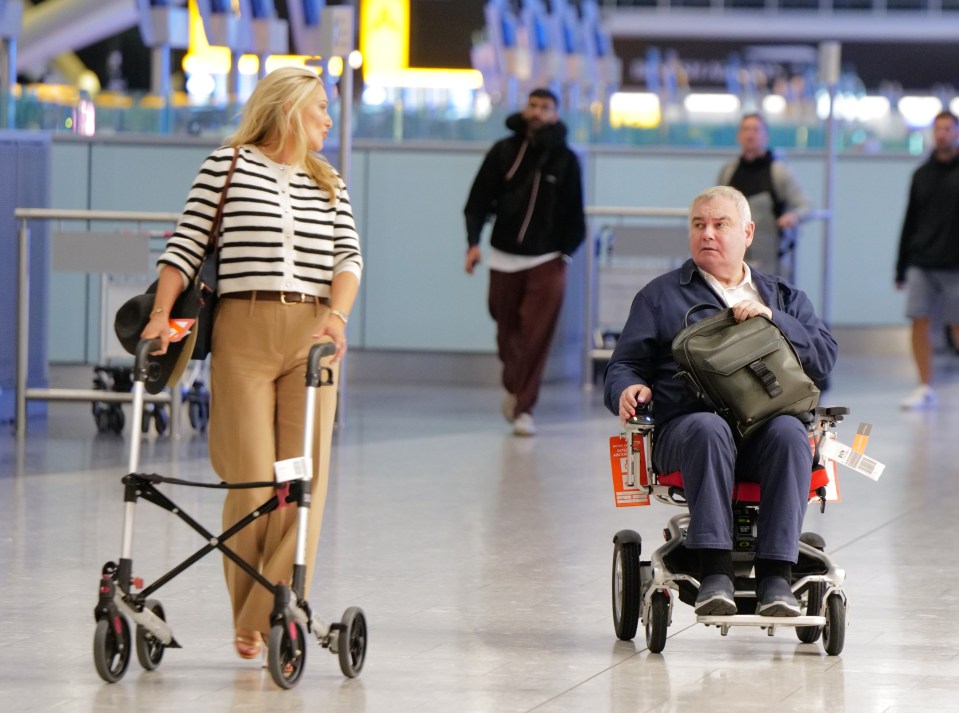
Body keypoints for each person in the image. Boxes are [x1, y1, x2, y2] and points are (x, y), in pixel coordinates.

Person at [141, 66, 363, 660]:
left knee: (300, 480)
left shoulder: (330, 180)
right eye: (321, 106)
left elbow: (349, 257)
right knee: (251, 479)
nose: (328, 118)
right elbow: (185, 246)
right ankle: (254, 606)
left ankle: (268, 614)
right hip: (244, 332)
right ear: (289, 107)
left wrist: (336, 318)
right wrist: (161, 314)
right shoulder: (228, 165)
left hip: (312, 339)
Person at [604, 186, 836, 617]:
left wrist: (774, 320)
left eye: (720, 224)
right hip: (688, 434)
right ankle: (714, 571)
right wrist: (626, 389)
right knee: (708, 427)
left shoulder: (782, 297)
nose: (707, 234)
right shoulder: (660, 297)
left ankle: (776, 578)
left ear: (747, 233)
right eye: (698, 225)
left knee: (790, 432)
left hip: (764, 435)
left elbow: (823, 357)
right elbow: (622, 366)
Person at [463, 88, 586, 436]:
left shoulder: (566, 160)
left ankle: (524, 409)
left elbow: (575, 215)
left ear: (555, 114)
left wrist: (564, 253)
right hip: (502, 257)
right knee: (506, 334)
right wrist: (473, 243)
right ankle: (515, 385)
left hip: (547, 259)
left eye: (545, 107)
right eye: (533, 105)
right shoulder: (503, 150)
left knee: (535, 337)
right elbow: (477, 201)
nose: (537, 112)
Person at [895, 109, 959, 410]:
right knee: (919, 322)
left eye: (948, 129)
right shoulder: (921, 174)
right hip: (922, 261)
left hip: (955, 265)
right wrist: (900, 266)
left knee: (957, 325)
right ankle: (925, 386)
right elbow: (910, 220)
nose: (943, 134)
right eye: (939, 129)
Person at [717, 113, 812, 281]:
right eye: (746, 129)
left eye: (756, 129)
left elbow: (805, 206)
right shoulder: (729, 171)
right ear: (739, 136)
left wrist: (793, 216)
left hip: (771, 261)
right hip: (734, 260)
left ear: (765, 135)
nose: (750, 134)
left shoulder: (778, 171)